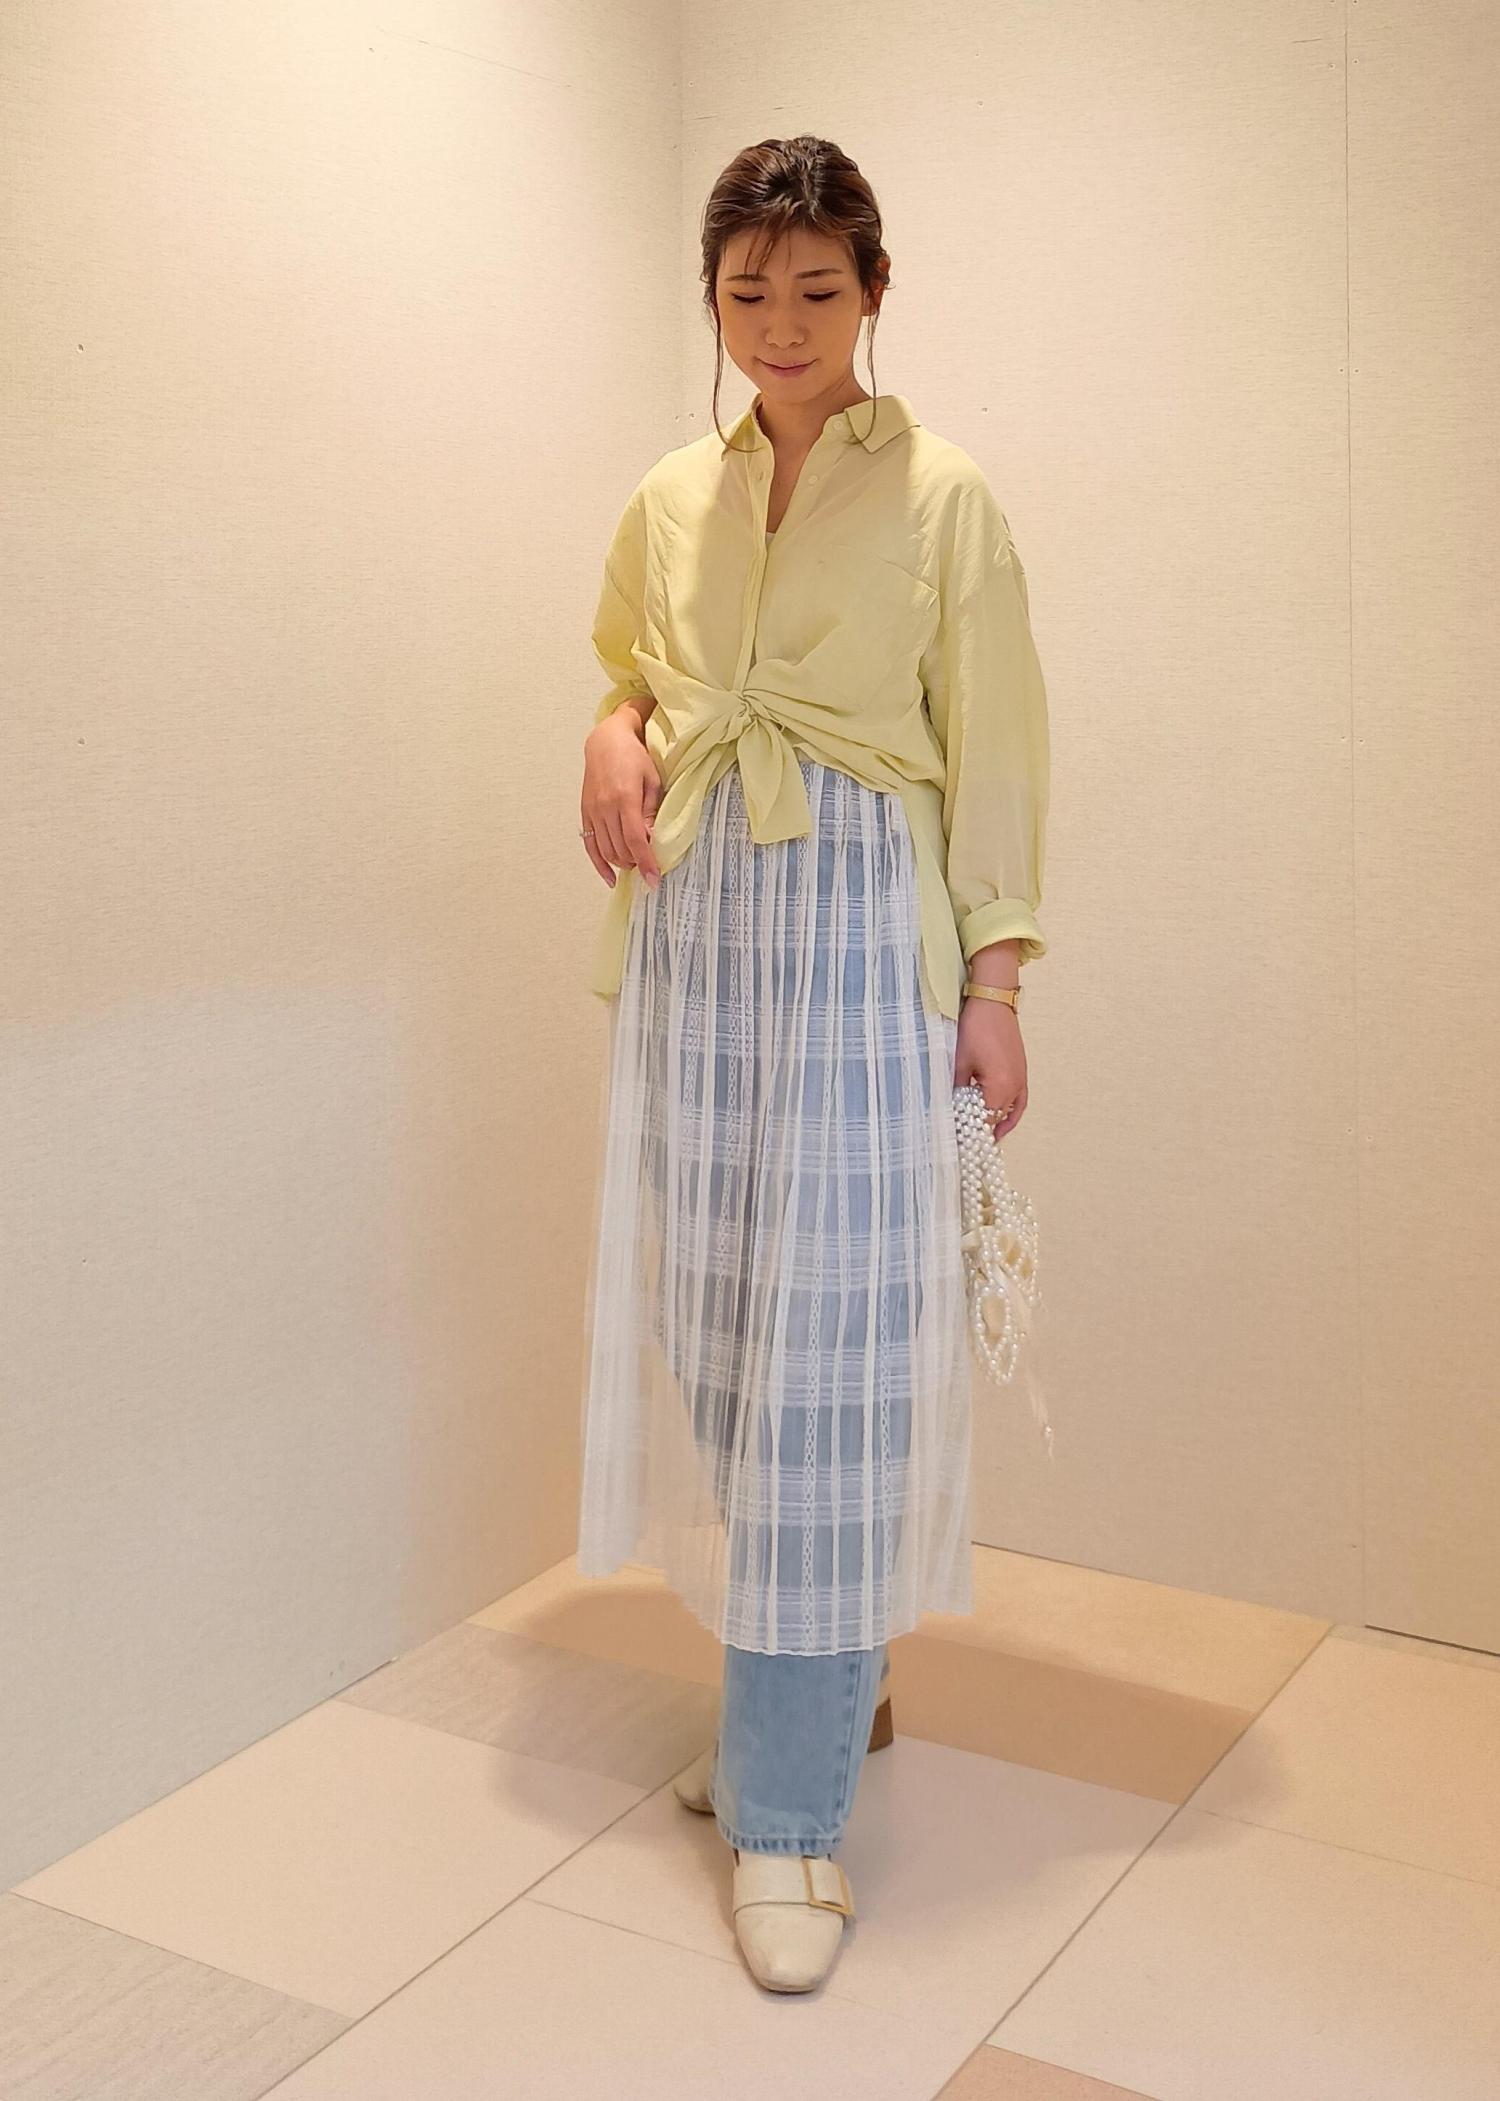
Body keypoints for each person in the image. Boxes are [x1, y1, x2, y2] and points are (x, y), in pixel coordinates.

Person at [574, 135, 1049, 1993]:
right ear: (711, 298)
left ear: (874, 292)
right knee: (720, 1326)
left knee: (832, 1362)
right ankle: (828, 1685)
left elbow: (997, 748)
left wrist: (994, 981)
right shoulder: (665, 496)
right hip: (699, 947)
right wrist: (610, 727)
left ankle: (786, 1812)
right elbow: (630, 665)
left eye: (817, 289)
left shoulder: (945, 497)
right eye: (746, 292)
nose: (780, 325)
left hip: (861, 941)